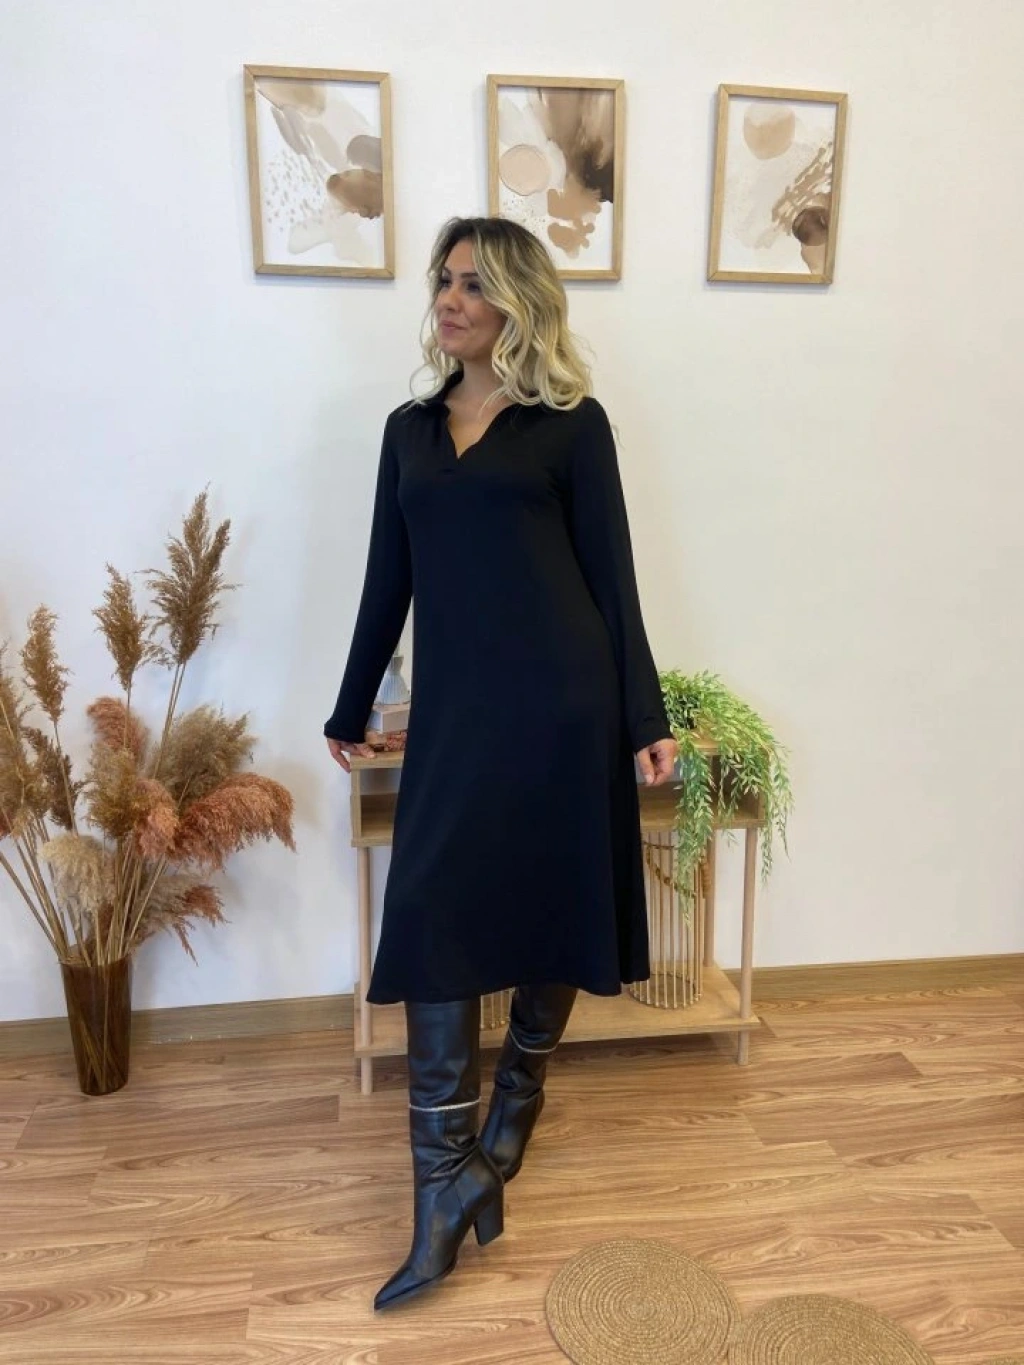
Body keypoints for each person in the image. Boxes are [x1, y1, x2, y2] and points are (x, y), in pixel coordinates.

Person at [324, 216, 678, 1311]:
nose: (449, 297)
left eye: (474, 283)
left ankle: (514, 1101)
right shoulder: (408, 432)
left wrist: (644, 715)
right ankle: (447, 1175)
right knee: (430, 913)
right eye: (444, 279)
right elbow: (388, 577)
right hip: (458, 714)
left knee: (550, 899)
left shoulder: (572, 426)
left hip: (564, 703)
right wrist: (349, 702)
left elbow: (612, 578)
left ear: (518, 301)